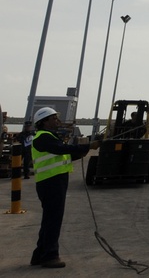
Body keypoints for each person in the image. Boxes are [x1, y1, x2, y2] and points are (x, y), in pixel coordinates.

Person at [30, 106, 99, 269]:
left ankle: (39, 255)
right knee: (53, 220)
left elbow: (64, 154)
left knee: (49, 220)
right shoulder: (43, 137)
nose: (57, 121)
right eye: (54, 118)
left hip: (54, 182)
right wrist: (87, 146)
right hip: (50, 183)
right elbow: (62, 149)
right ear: (44, 122)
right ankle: (50, 256)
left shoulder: (50, 137)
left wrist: (83, 151)